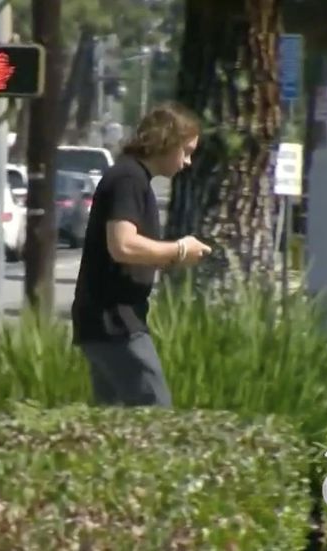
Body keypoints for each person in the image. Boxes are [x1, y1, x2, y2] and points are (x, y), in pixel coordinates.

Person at [71, 102, 212, 407]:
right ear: (166, 142)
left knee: (114, 425)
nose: (187, 161)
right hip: (115, 322)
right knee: (155, 415)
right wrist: (180, 249)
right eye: (185, 151)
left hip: (106, 321)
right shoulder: (128, 179)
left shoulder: (131, 178)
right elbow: (122, 245)